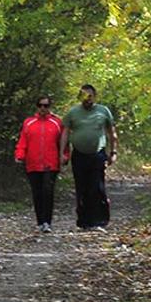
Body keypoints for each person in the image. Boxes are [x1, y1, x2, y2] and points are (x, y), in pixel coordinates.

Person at [60, 83, 118, 230]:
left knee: (97, 187)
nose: (88, 99)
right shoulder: (73, 113)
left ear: (94, 96)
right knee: (82, 188)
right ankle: (84, 221)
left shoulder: (103, 111)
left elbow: (112, 133)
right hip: (79, 155)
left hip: (98, 154)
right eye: (84, 96)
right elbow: (65, 133)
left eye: (90, 95)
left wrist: (114, 152)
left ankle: (99, 221)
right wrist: (62, 153)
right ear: (80, 97)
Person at [15, 95, 63, 233]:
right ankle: (40, 222)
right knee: (37, 193)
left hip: (51, 163)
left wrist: (64, 155)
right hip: (33, 163)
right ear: (37, 106)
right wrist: (19, 154)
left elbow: (63, 142)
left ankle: (47, 222)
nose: (43, 108)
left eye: (46, 105)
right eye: (40, 105)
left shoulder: (56, 123)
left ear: (50, 107)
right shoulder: (29, 122)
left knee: (48, 191)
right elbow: (23, 141)